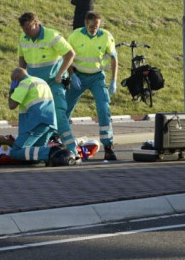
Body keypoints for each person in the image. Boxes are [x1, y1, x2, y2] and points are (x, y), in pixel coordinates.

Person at [17, 12, 79, 157]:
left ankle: (72, 150)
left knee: (59, 115)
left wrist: (60, 74)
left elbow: (70, 54)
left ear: (36, 23)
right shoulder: (23, 38)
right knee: (37, 117)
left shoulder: (51, 36)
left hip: (52, 83)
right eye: (23, 29)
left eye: (28, 28)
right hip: (34, 87)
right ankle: (40, 149)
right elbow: (22, 60)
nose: (26, 31)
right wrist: (21, 78)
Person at [66, 11, 119, 160]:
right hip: (78, 75)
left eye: (96, 27)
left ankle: (108, 146)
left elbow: (114, 58)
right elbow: (67, 57)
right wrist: (72, 75)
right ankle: (58, 140)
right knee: (65, 108)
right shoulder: (75, 36)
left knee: (103, 108)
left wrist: (113, 80)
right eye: (91, 27)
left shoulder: (106, 37)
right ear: (85, 23)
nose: (94, 29)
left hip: (97, 77)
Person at [8, 67, 77, 166]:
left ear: (17, 79)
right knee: (35, 154)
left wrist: (12, 89)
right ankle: (54, 155)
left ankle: (55, 151)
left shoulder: (25, 83)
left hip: (35, 123)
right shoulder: (41, 81)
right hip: (49, 123)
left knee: (16, 151)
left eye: (13, 81)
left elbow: (12, 105)